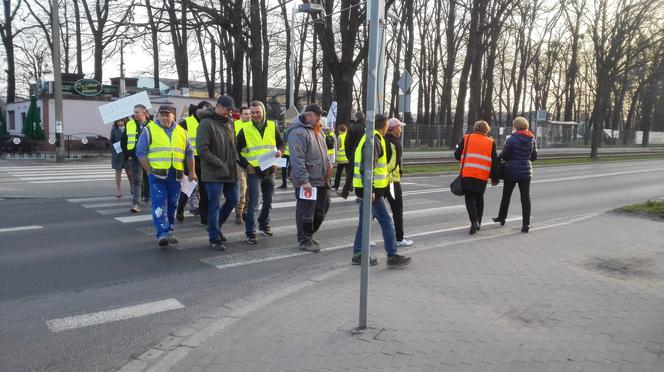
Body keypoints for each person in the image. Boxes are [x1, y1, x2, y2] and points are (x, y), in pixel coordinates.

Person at [351, 114, 411, 267]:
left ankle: (358, 254)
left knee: (364, 223)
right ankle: (392, 255)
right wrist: (370, 189)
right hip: (371, 191)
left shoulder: (370, 138)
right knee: (387, 222)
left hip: (366, 189)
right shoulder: (374, 140)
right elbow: (368, 167)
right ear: (384, 126)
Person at [136, 105, 196, 247]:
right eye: (161, 114)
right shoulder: (149, 130)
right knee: (159, 203)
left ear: (173, 116)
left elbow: (189, 152)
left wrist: (192, 171)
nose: (164, 117)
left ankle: (169, 231)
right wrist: (149, 171)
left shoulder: (182, 132)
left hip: (175, 174)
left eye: (167, 114)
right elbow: (140, 152)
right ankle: (162, 233)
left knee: (172, 204)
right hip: (156, 174)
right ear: (157, 116)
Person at [236, 100, 284, 245]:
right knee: (253, 204)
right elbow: (236, 151)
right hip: (254, 171)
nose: (255, 115)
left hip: (269, 169)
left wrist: (280, 152)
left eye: (258, 112)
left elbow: (281, 143)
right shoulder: (244, 130)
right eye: (253, 113)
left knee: (268, 202)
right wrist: (246, 165)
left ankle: (264, 224)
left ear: (263, 112)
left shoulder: (272, 126)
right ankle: (250, 232)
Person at [196, 95, 240, 250]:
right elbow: (202, 149)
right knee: (214, 205)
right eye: (227, 110)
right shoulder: (206, 123)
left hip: (230, 171)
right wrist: (219, 163)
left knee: (234, 199)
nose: (229, 113)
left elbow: (233, 146)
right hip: (214, 172)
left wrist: (236, 162)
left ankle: (215, 226)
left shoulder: (230, 123)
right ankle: (214, 238)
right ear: (219, 106)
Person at [287, 104, 332, 251]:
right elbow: (297, 159)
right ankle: (304, 240)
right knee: (306, 211)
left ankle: (309, 235)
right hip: (308, 181)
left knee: (322, 209)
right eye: (318, 115)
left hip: (321, 179)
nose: (320, 118)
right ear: (309, 116)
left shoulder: (317, 131)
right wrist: (303, 180)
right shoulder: (299, 133)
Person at [454, 120, 500, 235]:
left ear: (475, 128)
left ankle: (474, 222)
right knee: (479, 198)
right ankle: (478, 222)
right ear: (487, 129)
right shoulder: (491, 142)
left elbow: (457, 154)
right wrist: (495, 178)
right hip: (482, 175)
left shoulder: (467, 138)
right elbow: (494, 161)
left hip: (468, 173)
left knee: (469, 199)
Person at [492, 116, 538, 233]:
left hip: (511, 171)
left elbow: (505, 156)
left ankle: (502, 217)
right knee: (525, 198)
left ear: (516, 126)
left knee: (506, 195)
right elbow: (534, 157)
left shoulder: (511, 139)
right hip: (526, 172)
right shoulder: (532, 139)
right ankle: (526, 224)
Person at [176, 101, 212, 223]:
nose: (206, 112)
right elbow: (179, 142)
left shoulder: (209, 122)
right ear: (198, 109)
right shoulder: (186, 122)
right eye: (205, 109)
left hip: (205, 160)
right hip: (190, 160)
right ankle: (180, 210)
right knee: (188, 187)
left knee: (204, 190)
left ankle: (204, 217)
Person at [385, 118, 413, 247]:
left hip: (379, 182)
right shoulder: (395, 144)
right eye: (399, 127)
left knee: (374, 211)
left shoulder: (381, 140)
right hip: (391, 182)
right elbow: (393, 163)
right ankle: (399, 239)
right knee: (397, 210)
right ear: (393, 128)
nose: (400, 130)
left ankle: (364, 238)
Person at [121, 104, 153, 213]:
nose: (135, 114)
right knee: (137, 180)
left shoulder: (152, 125)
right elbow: (123, 141)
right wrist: (128, 154)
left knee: (149, 178)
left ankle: (148, 199)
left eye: (137, 112)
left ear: (145, 113)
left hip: (149, 157)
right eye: (134, 112)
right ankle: (136, 203)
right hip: (135, 157)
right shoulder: (129, 124)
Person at [339, 111, 365, 199]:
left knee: (350, 173)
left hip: (354, 154)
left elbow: (347, 143)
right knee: (364, 173)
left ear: (356, 118)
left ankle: (345, 192)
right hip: (366, 153)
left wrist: (349, 155)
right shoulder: (368, 127)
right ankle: (362, 192)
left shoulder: (353, 127)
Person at [233, 107, 252, 225]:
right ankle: (238, 212)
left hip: (252, 162)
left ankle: (245, 211)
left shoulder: (253, 126)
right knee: (243, 188)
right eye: (246, 114)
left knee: (250, 189)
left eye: (250, 114)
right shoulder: (234, 125)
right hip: (239, 162)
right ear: (240, 115)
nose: (248, 116)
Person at [110, 118, 132, 198]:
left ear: (125, 121)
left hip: (127, 154)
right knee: (118, 172)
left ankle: (132, 188)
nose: (120, 123)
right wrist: (115, 149)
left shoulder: (129, 128)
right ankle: (118, 190)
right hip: (118, 154)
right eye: (118, 121)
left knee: (129, 172)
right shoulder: (114, 130)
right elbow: (111, 141)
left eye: (121, 121)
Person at [332, 123, 348, 190]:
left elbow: (338, 147)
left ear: (340, 130)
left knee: (338, 173)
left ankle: (336, 185)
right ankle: (349, 186)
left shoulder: (340, 137)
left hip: (341, 159)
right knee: (348, 173)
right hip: (347, 158)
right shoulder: (348, 135)